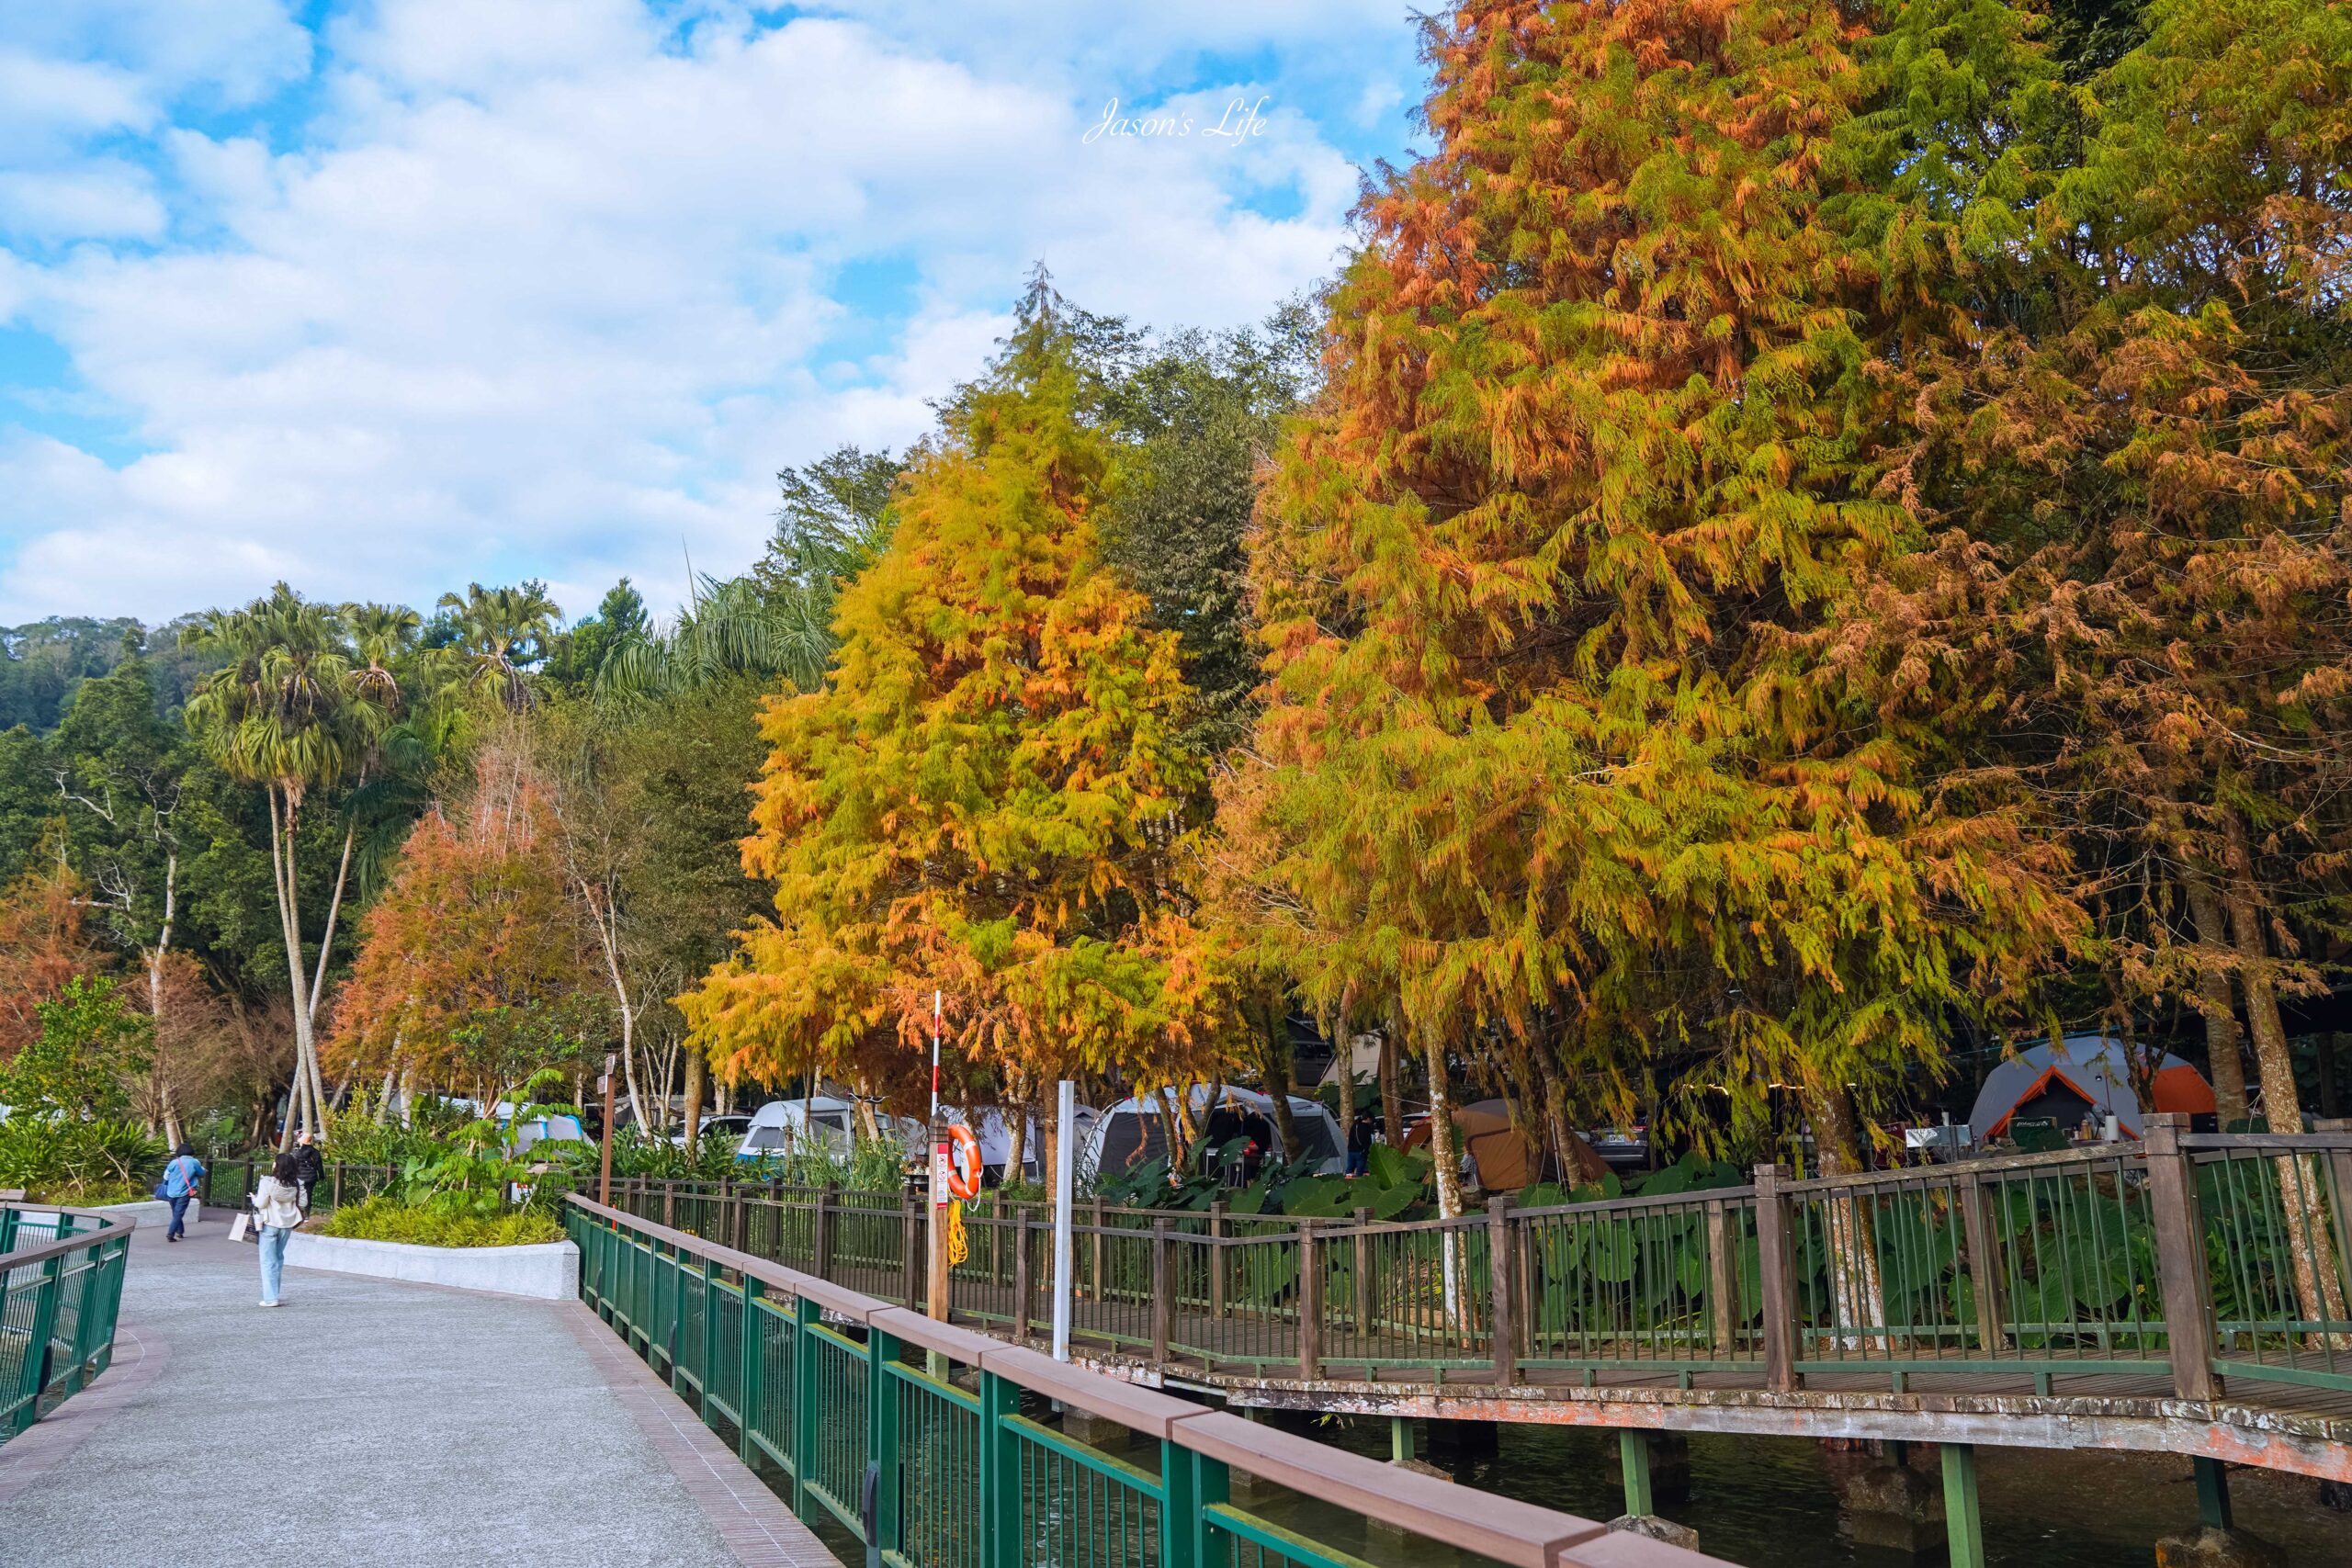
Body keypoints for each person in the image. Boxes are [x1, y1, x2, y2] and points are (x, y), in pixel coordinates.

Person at [252, 1152, 304, 1308]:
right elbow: (304, 1201)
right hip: (287, 1224)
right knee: (278, 1259)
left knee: (268, 1262)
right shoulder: (297, 1184)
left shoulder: (267, 1182)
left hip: (269, 1224)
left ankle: (270, 1298)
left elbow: (261, 1203)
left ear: (277, 1165)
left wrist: (254, 1199)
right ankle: (274, 1293)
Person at [160, 1143, 205, 1242]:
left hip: (171, 1192)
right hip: (184, 1192)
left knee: (176, 1213)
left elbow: (166, 1176)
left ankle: (180, 1232)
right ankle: (170, 1234)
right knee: (178, 1214)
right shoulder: (194, 1162)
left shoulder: (174, 1162)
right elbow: (201, 1173)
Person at [289, 1128, 324, 1212]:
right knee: (309, 1195)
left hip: (299, 1177)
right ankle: (307, 1213)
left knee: (298, 1194)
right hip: (311, 1177)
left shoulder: (297, 1152)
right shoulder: (315, 1152)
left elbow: (294, 1165)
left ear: (303, 1141)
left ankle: (299, 1212)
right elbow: (319, 1165)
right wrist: (321, 1176)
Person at [1347, 1109, 1376, 1179]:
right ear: (1368, 1119)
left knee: (1349, 1170)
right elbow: (1367, 1141)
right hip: (1361, 1152)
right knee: (1359, 1172)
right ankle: (1358, 1185)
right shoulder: (1366, 1127)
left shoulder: (1355, 1125)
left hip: (1351, 1151)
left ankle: (1347, 1184)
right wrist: (1367, 1151)